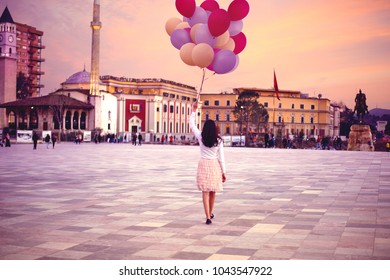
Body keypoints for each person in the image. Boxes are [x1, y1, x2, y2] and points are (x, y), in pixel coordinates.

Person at [190, 101, 226, 225]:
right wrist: (224, 172)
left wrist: (194, 111)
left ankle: (208, 217)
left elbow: (192, 125)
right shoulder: (219, 141)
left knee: (205, 192)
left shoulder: (201, 137)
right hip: (214, 165)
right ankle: (210, 212)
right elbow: (221, 158)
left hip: (203, 164)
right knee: (212, 191)